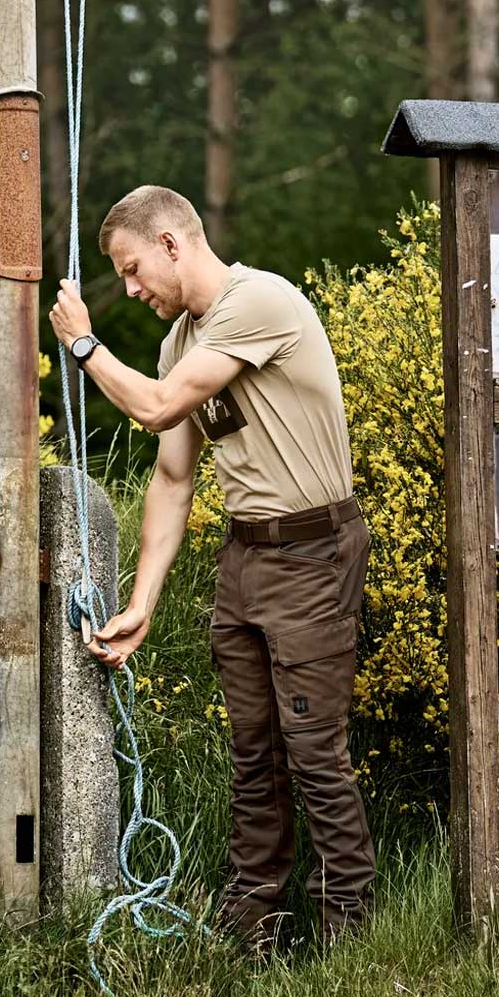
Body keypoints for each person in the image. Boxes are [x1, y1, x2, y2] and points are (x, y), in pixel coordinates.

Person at [49, 184, 375, 944]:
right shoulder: (177, 345)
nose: (131, 289)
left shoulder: (259, 301)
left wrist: (84, 344)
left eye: (133, 269)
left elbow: (159, 407)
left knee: (313, 752)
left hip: (313, 551)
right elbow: (171, 477)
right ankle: (251, 922)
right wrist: (142, 602)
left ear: (170, 243)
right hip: (246, 557)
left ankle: (346, 932)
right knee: (252, 752)